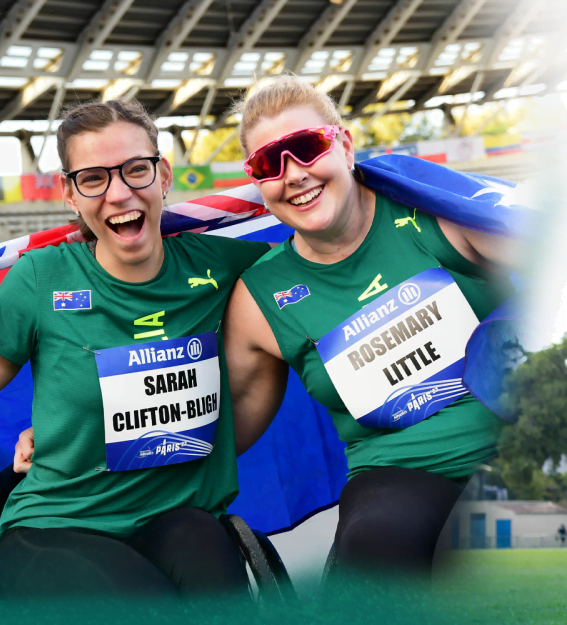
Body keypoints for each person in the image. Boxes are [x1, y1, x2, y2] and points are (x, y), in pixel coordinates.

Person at [221, 75, 521, 575]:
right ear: (256, 180)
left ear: (344, 145)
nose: (293, 174)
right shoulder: (260, 298)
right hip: (396, 472)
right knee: (372, 554)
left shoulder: (436, 211)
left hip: (518, 442)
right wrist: (65, 451)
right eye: (269, 163)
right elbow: (214, 429)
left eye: (305, 147)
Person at [0, 99, 269, 597]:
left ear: (163, 175)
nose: (119, 193)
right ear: (70, 193)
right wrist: (62, 432)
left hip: (177, 515)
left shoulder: (229, 266)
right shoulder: (39, 279)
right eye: (94, 178)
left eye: (135, 170)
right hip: (57, 524)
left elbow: (325, 265)